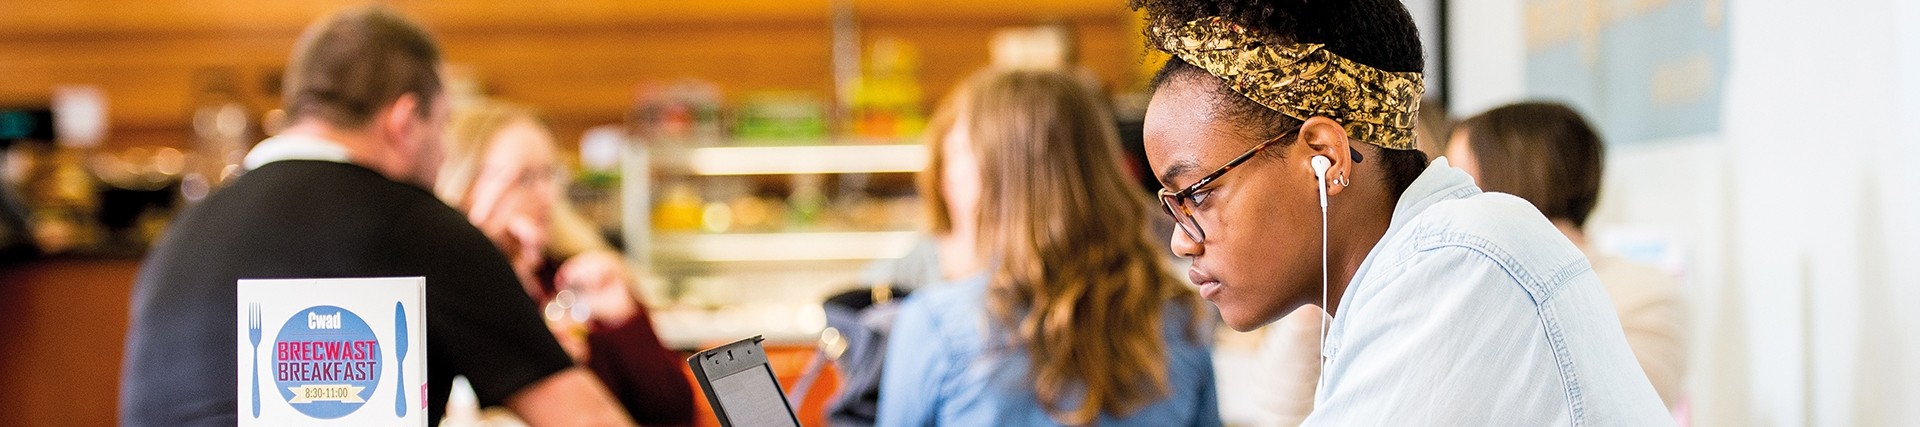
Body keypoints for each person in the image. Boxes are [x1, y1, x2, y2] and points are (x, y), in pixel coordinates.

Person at [1128, 0, 1671, 424]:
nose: (1181, 241)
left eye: (1196, 194)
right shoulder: (1408, 270)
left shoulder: (1456, 263)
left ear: (1323, 156)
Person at [118, 7, 633, 426]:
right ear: (406, 121)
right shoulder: (419, 227)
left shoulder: (180, 238)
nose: (443, 156)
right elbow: (586, 419)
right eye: (444, 128)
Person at [876, 68, 1220, 426]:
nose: (948, 177)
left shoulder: (938, 328)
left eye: (961, 154)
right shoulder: (1183, 317)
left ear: (997, 179)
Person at [436, 100, 695, 425]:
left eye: (550, 174)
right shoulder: (444, 288)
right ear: (466, 184)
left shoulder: (576, 276)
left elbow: (675, 412)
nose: (547, 194)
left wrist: (625, 322)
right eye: (525, 178)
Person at [1448, 101, 1689, 409]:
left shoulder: (1644, 293)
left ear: (1514, 176)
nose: (1451, 201)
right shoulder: (1464, 280)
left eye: (1462, 176)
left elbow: (1614, 407)